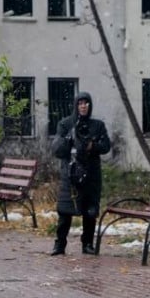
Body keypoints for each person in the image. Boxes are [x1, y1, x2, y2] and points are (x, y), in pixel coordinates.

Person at [50, 91, 111, 256]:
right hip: (70, 174)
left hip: (91, 174)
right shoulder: (65, 124)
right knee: (65, 211)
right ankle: (60, 244)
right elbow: (57, 150)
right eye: (80, 103)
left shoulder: (97, 125)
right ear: (76, 105)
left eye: (86, 103)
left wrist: (93, 146)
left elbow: (106, 146)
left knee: (90, 211)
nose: (83, 106)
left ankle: (87, 244)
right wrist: (69, 139)